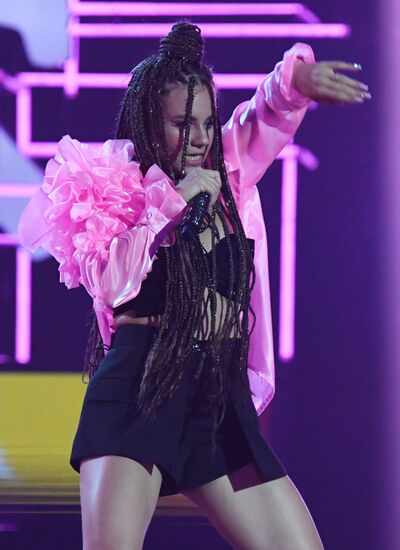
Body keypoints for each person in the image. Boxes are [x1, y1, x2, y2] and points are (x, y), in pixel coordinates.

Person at [18, 22, 370, 550]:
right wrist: (170, 202)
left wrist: (294, 81)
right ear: (149, 120)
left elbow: (261, 116)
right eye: (183, 124)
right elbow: (112, 284)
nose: (201, 137)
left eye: (207, 122)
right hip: (137, 393)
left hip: (216, 402)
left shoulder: (226, 174)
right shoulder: (111, 192)